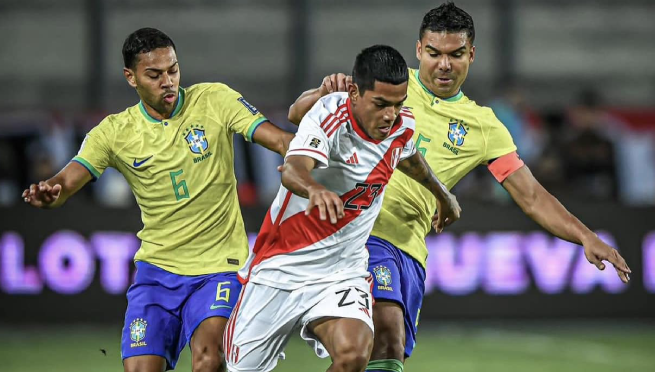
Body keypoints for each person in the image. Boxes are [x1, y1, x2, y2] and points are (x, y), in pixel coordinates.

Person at [287, 3, 632, 372]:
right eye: (434, 54)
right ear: (419, 50)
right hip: (361, 232)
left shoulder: (484, 126)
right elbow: (298, 115)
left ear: (472, 54)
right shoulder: (388, 84)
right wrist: (321, 91)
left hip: (409, 250)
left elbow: (531, 196)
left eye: (455, 54)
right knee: (380, 332)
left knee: (385, 357)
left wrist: (585, 236)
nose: (444, 65)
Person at [22, 27, 294, 372]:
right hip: (157, 274)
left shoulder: (214, 100)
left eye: (173, 70)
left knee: (210, 359)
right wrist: (51, 192)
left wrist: (310, 150)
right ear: (131, 77)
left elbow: (281, 139)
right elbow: (66, 182)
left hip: (221, 270)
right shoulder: (114, 132)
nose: (168, 81)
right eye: (154, 74)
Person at [224, 45, 460, 372]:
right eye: (380, 104)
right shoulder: (330, 115)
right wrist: (316, 189)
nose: (390, 115)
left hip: (342, 269)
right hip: (282, 266)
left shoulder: (400, 124)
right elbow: (293, 169)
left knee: (354, 355)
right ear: (354, 92)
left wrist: (442, 194)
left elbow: (409, 157)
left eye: (397, 104)